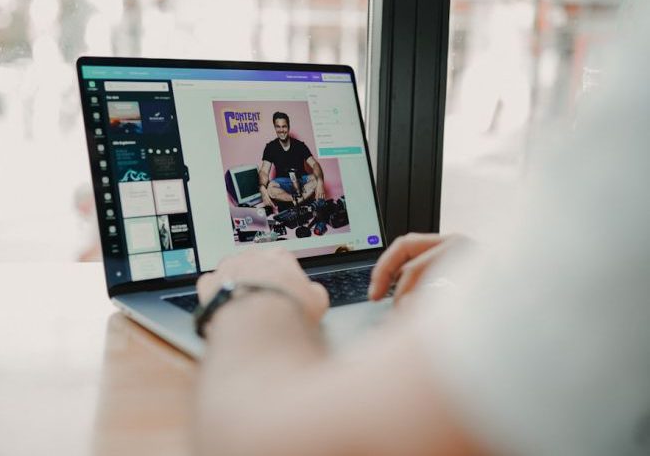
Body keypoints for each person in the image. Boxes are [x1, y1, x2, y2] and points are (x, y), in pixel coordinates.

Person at [191, 28, 650, 455]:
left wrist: (254, 299)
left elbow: (271, 445)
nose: (282, 131)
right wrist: (513, 282)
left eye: (285, 126)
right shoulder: (271, 151)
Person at [258, 112, 325, 209]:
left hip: (302, 181)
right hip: (283, 185)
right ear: (275, 128)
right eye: (278, 127)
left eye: (284, 126)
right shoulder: (270, 147)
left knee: (316, 179)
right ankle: (296, 200)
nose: (281, 130)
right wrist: (262, 188)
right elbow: (264, 171)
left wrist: (320, 182)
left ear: (288, 127)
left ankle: (298, 200)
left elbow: (314, 164)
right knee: (270, 188)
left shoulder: (300, 145)